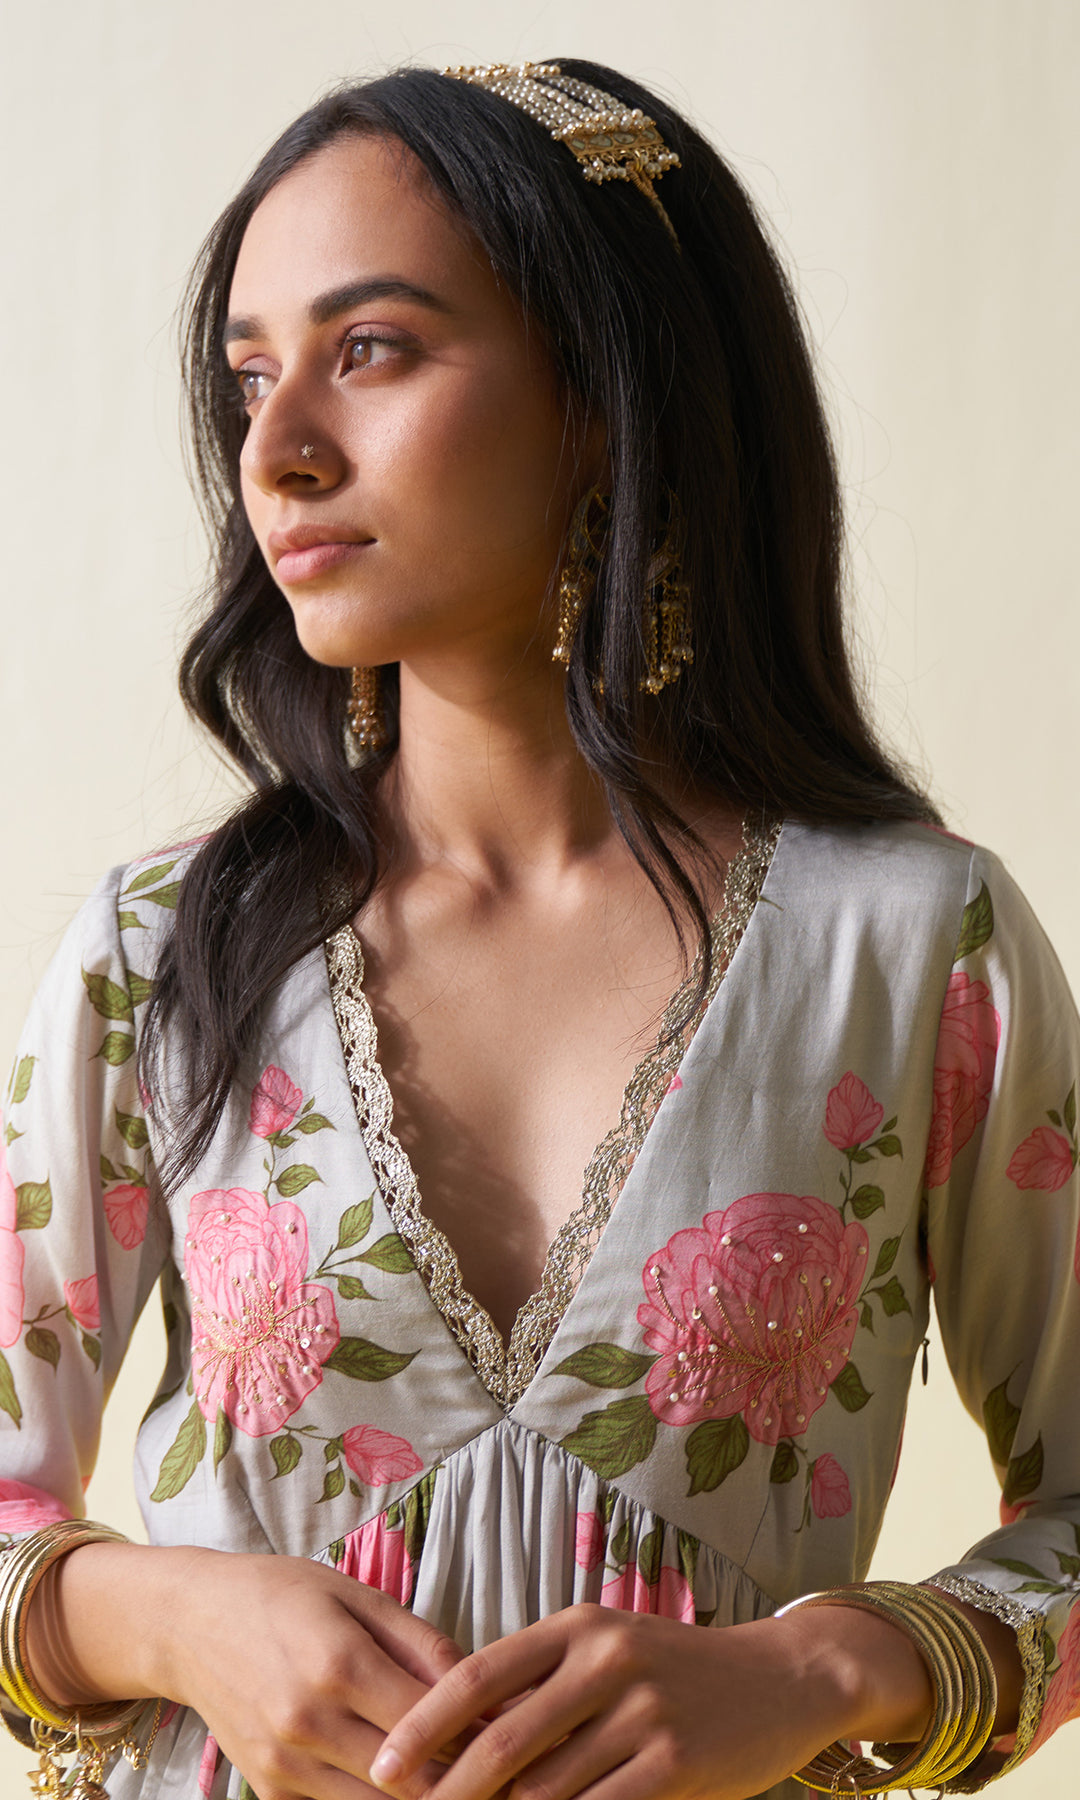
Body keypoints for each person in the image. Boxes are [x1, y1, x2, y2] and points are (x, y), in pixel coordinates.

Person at [0, 56, 1077, 1800]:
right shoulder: (161, 956)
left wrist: (818, 1666)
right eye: (252, 375)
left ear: (603, 393)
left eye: (371, 349)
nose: (277, 451)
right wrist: (170, 1618)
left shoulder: (910, 950)